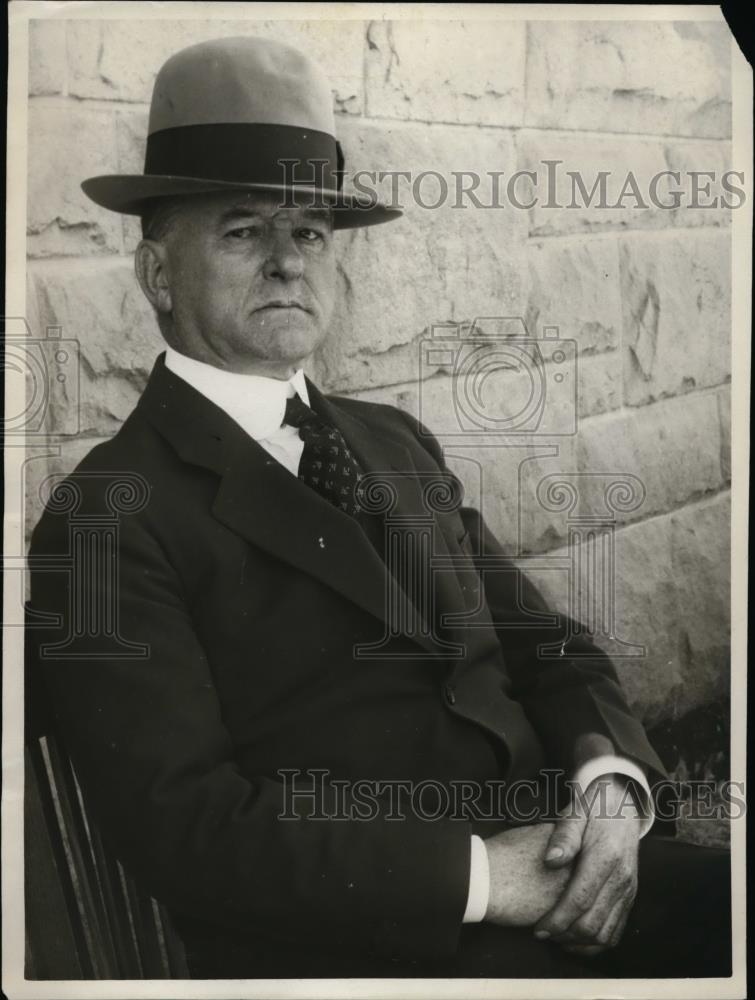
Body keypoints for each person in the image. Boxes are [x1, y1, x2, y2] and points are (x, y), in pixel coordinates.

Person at [27, 36, 731, 980]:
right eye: (242, 230)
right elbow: (188, 830)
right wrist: (478, 877)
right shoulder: (108, 517)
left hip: (562, 862)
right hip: (375, 942)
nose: (287, 263)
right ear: (159, 274)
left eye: (309, 232)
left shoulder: (391, 440)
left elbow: (547, 644)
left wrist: (609, 787)